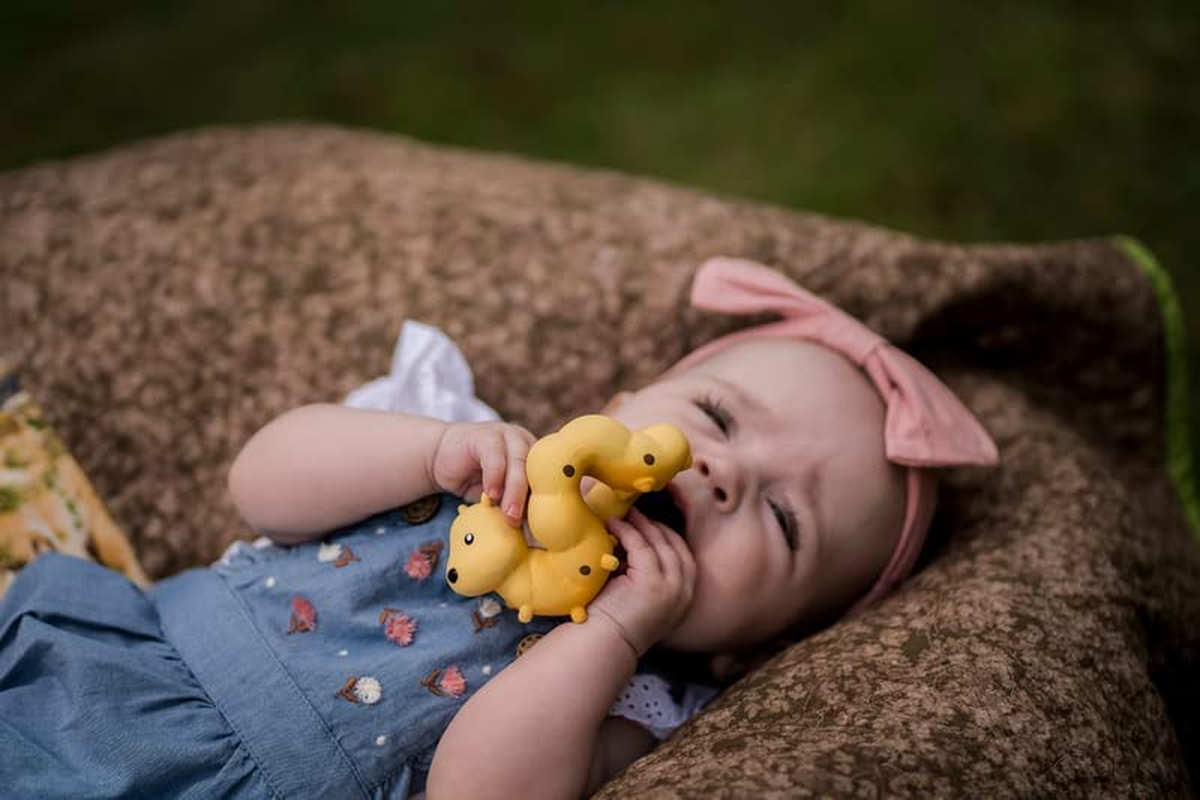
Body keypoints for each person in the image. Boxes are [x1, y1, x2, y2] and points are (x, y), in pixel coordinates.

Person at [0, 258, 997, 799]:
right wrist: (425, 449)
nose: (726, 473)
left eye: (785, 520)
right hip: (119, 676)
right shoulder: (465, 439)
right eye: (720, 417)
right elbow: (259, 482)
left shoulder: (643, 698)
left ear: (750, 649)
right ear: (619, 400)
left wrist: (607, 637)